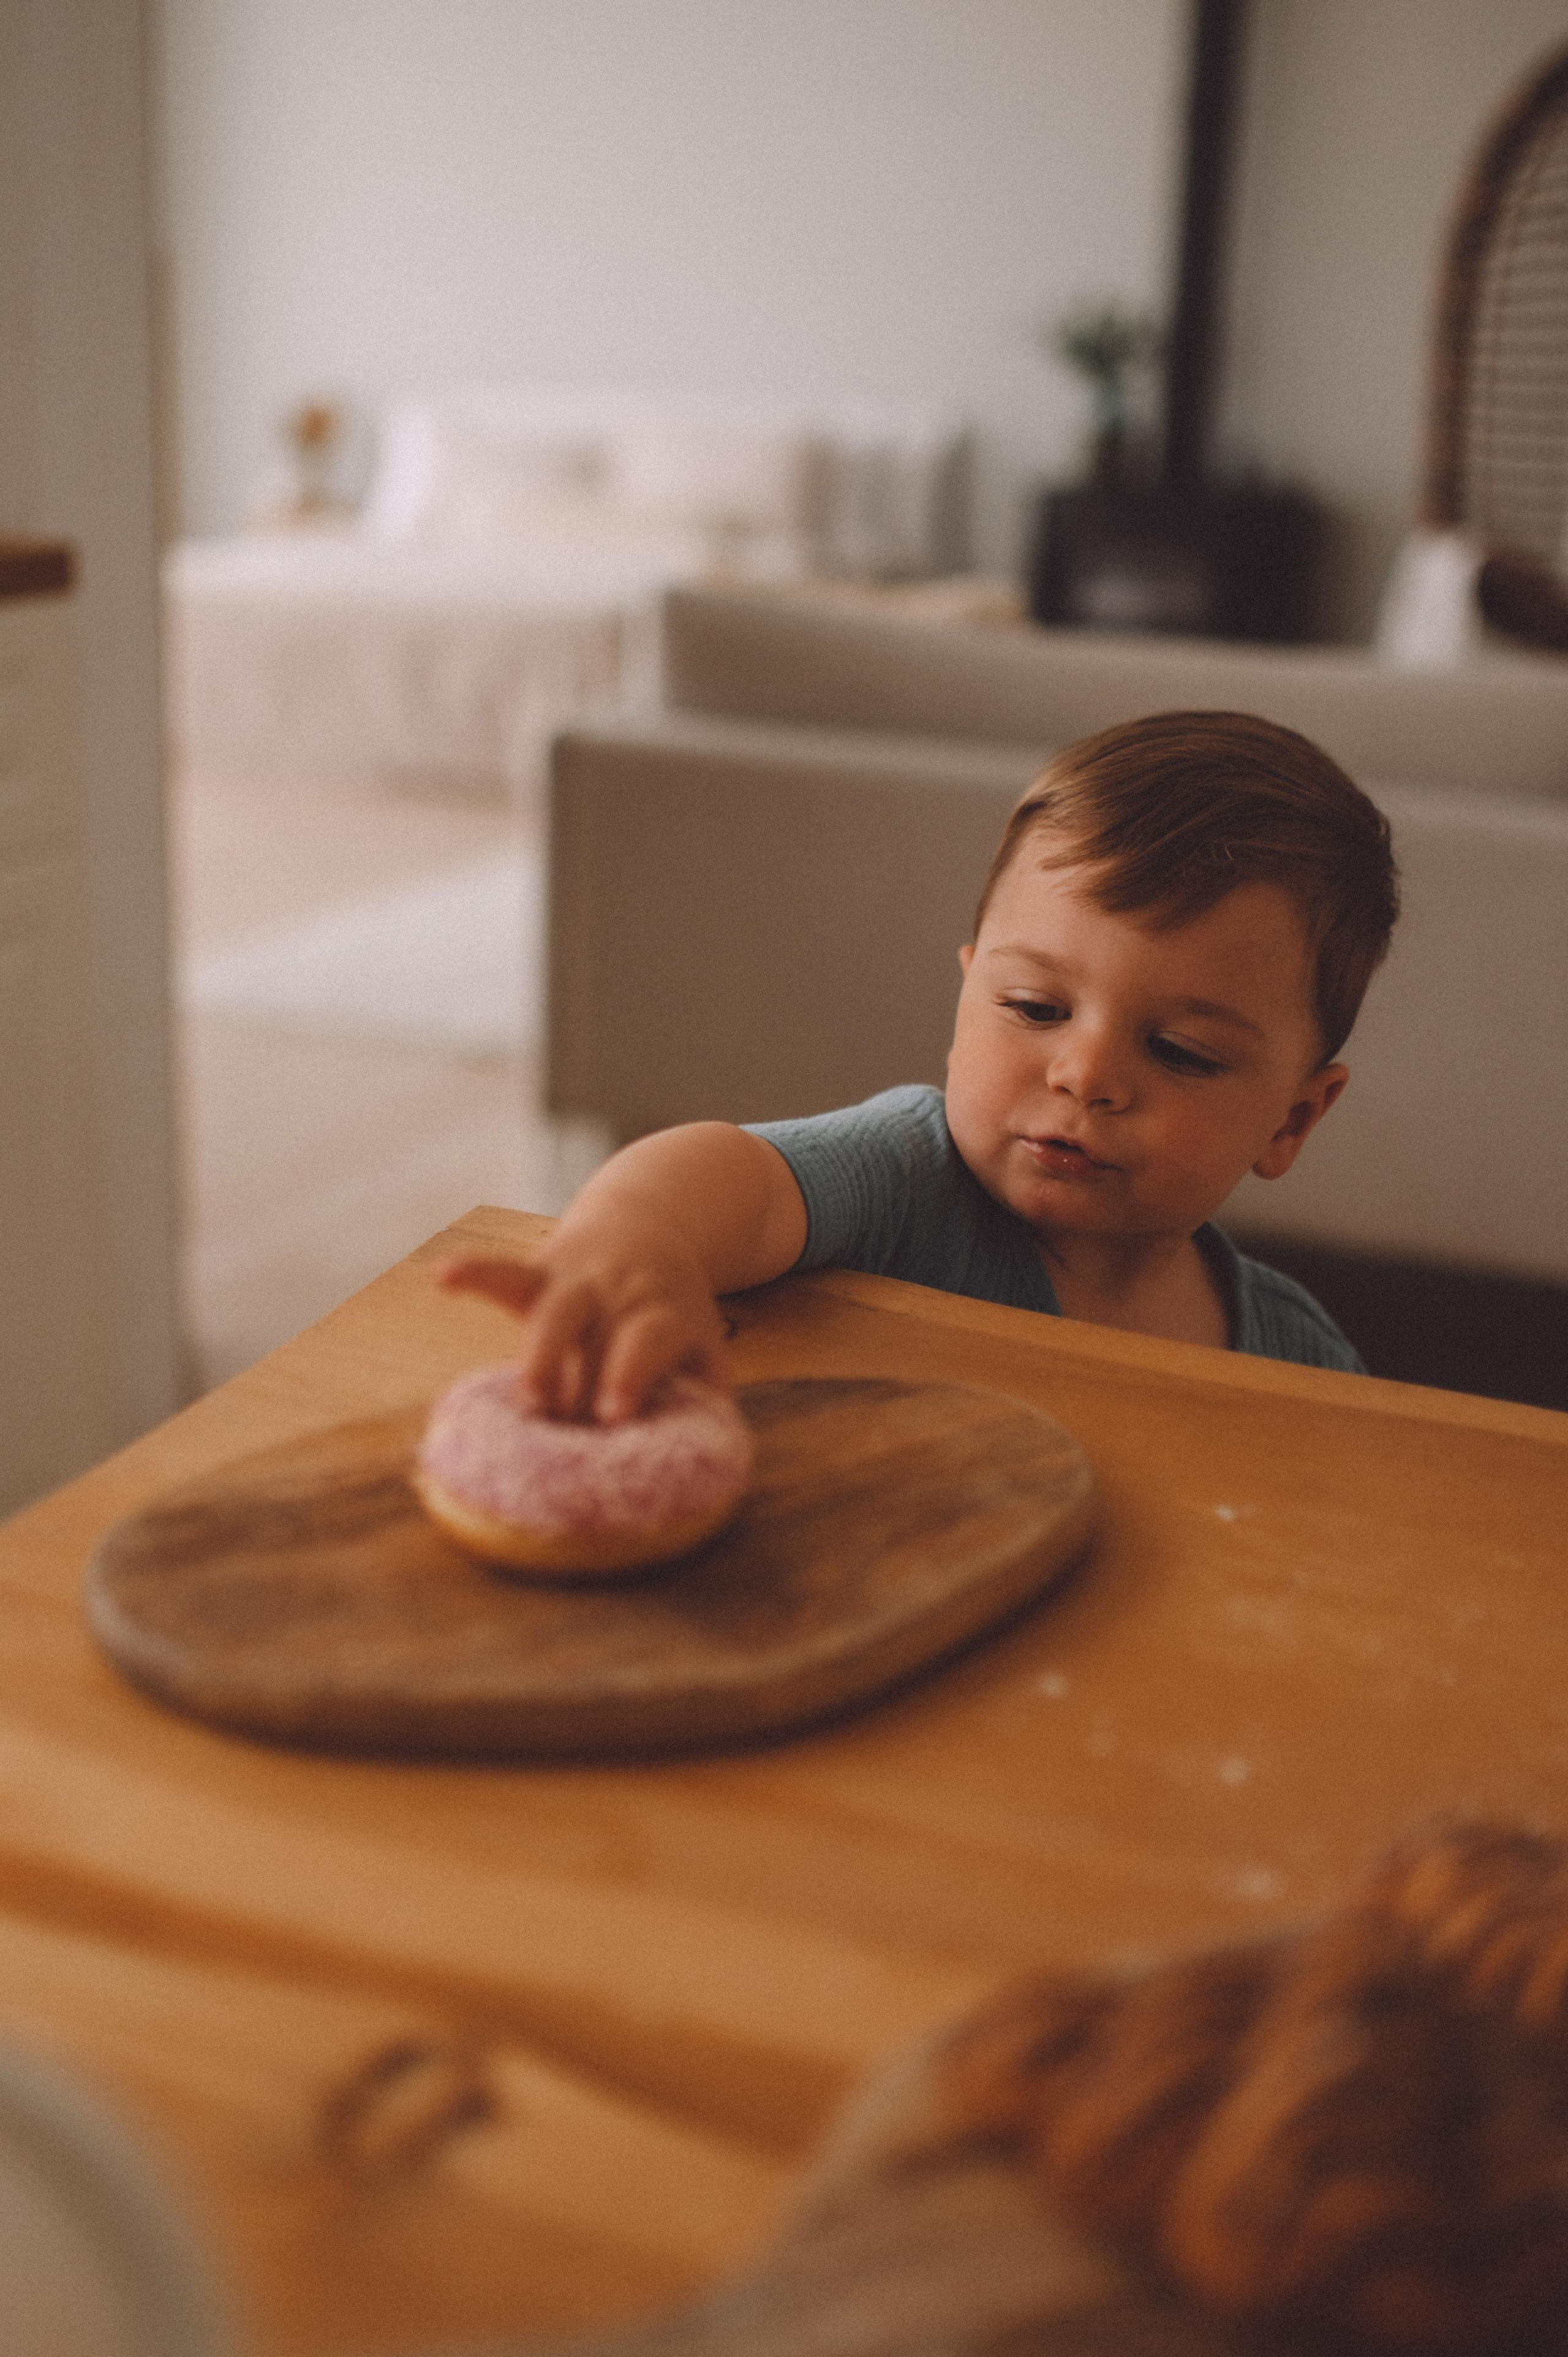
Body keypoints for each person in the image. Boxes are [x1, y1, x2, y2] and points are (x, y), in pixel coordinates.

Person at [450, 709, 1399, 1418]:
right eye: (1033, 1008)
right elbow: (734, 1179)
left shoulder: (1299, 1359)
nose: (1085, 1075)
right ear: (965, 993)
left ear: (1293, 1120)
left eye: (1181, 1053)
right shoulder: (909, 1181)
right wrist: (634, 1237)